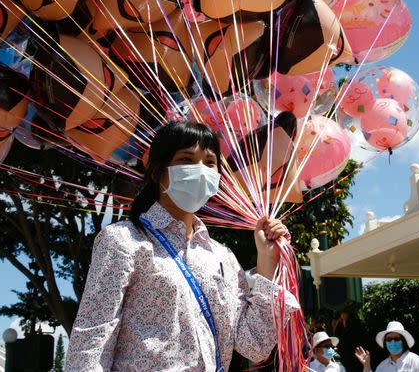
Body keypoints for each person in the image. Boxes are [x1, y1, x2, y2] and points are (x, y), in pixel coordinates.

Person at [65, 121, 299, 372]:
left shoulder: (222, 257)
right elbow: (90, 343)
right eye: (186, 160)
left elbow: (253, 345)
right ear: (157, 171)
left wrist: (266, 260)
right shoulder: (124, 241)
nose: (200, 170)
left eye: (209, 163)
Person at [354, 321, 419, 372]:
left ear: (403, 341)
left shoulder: (415, 361)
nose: (393, 342)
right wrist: (367, 366)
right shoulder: (382, 367)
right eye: (389, 339)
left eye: (396, 339)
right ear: (385, 342)